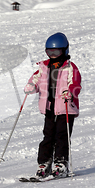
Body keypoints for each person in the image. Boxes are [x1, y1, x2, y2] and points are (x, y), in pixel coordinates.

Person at [24, 33, 81, 178]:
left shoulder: (70, 67)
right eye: (50, 52)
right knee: (48, 136)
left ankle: (61, 163)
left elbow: (76, 84)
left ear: (65, 51)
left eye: (57, 52)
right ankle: (44, 163)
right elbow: (36, 79)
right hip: (49, 107)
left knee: (61, 136)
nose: (53, 55)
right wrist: (31, 86)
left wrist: (70, 92)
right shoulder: (43, 67)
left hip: (65, 108)